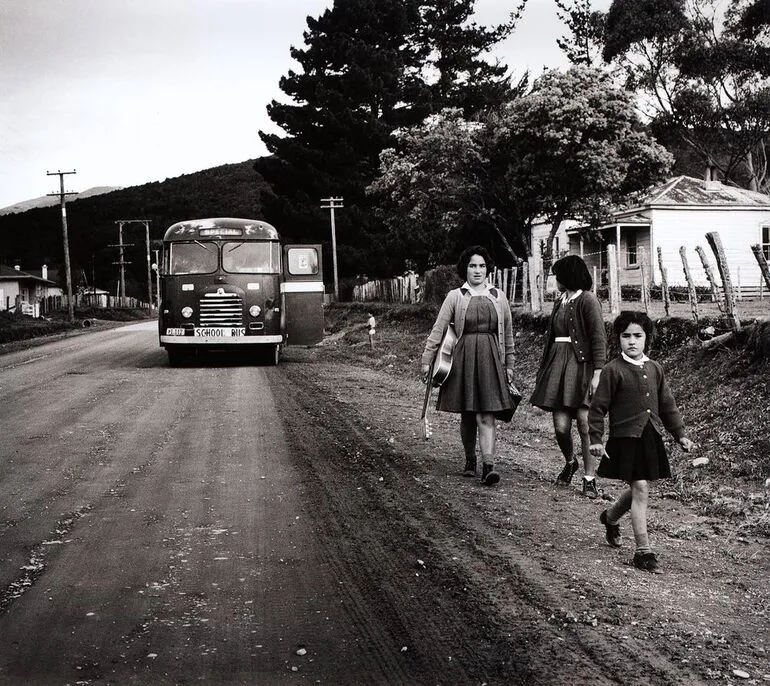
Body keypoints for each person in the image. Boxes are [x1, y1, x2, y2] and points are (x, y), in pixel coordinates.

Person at [588, 311, 694, 573]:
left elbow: (667, 404)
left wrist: (680, 434)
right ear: (619, 339)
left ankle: (610, 517)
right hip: (625, 439)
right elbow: (597, 409)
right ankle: (643, 552)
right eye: (626, 336)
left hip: (650, 435)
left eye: (638, 336)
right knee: (641, 488)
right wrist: (595, 439)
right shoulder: (613, 370)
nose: (632, 342)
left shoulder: (655, 368)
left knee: (640, 487)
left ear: (647, 338)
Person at [420, 246, 516, 486]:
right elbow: (439, 329)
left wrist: (510, 365)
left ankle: (488, 466)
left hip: (491, 358)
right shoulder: (455, 296)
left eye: (482, 266)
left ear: (488, 269)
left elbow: (509, 335)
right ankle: (470, 459)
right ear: (465, 269)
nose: (477, 270)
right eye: (473, 266)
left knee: (488, 414)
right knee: (468, 414)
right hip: (464, 358)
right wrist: (426, 360)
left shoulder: (499, 296)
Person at [530, 255, 607, 498]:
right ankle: (570, 461)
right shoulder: (559, 301)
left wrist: (598, 374)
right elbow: (550, 338)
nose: (556, 281)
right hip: (558, 369)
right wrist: (544, 369)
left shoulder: (588, 300)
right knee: (561, 428)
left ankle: (589, 478)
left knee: (585, 425)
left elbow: (598, 338)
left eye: (558, 276)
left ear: (569, 276)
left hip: (582, 369)